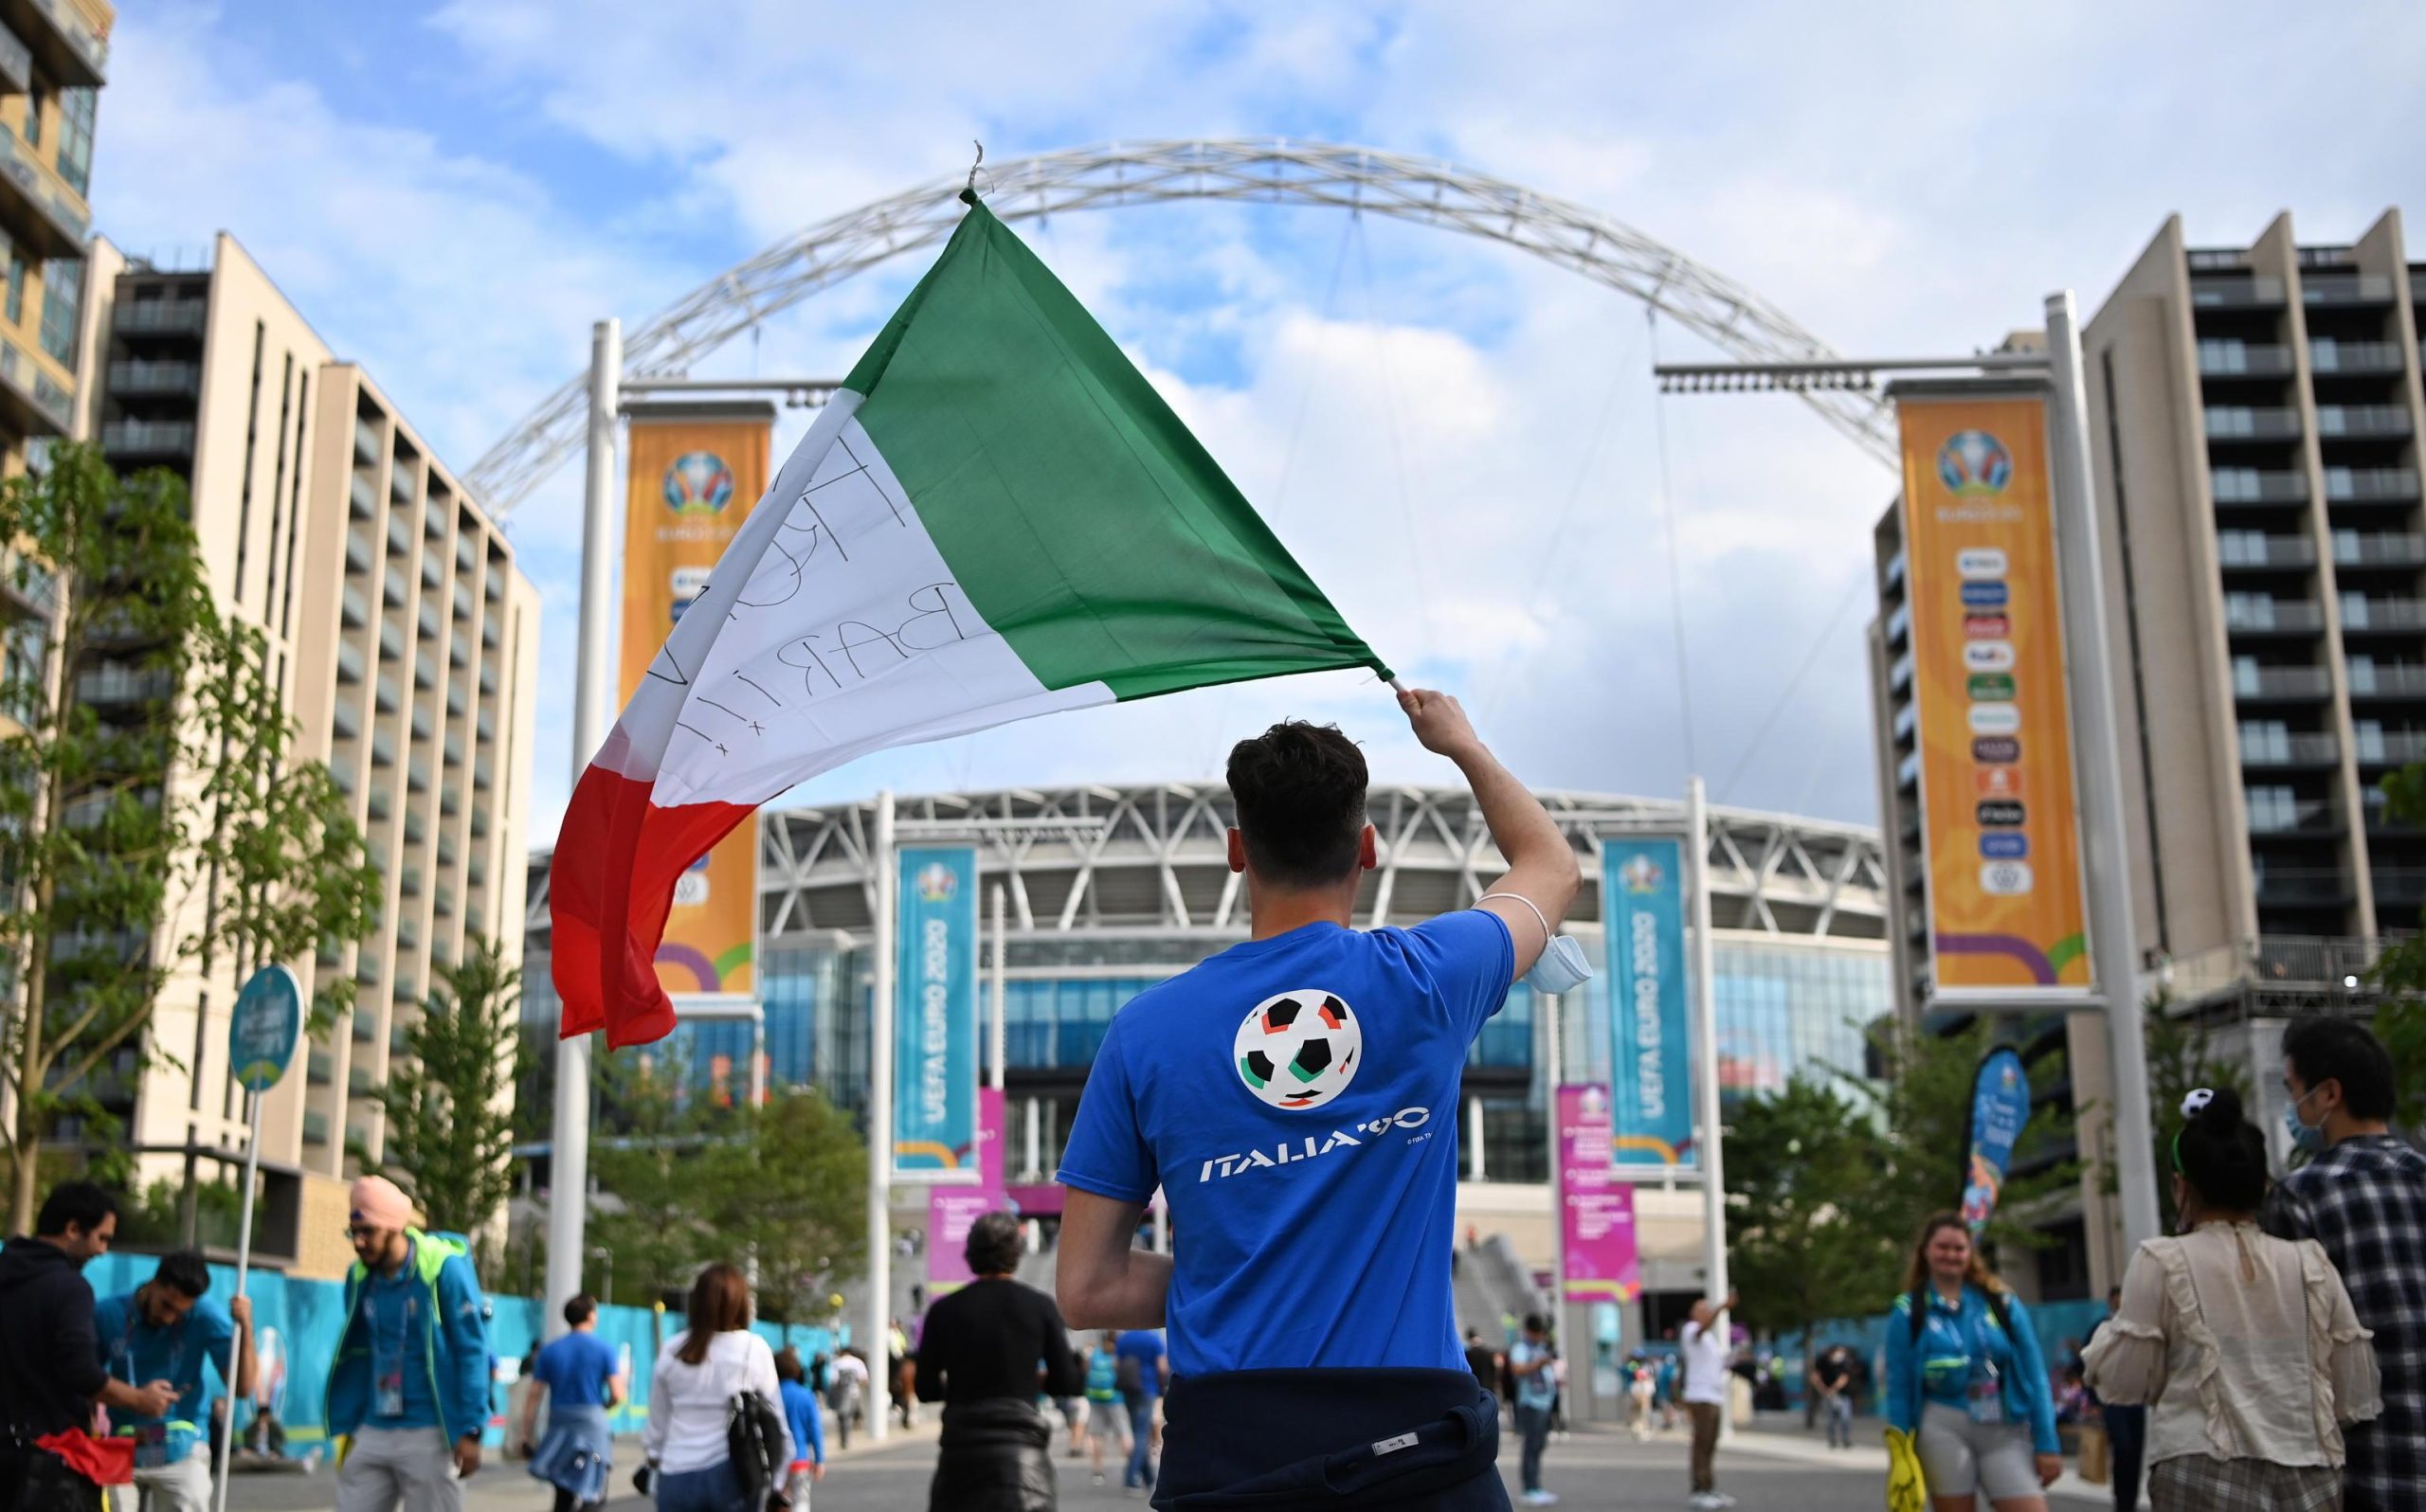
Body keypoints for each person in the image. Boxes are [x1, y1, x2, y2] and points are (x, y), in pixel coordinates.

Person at [1055, 695, 1581, 1510]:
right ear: (1366, 847)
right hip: (1418, 1452)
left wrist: (1251, 1266)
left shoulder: (1144, 1033)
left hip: (1230, 1456)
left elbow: (1087, 1289)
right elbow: (1550, 866)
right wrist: (1462, 745)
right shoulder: (1427, 977)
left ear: (1237, 851)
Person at [2083, 1087, 2381, 1509]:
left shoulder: (2162, 1259)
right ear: (2263, 1185)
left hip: (2200, 1464)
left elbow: (2125, 1381)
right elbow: (2351, 1392)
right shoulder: (2311, 1263)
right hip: (2309, 1467)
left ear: (2181, 1185)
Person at [2261, 1016, 2426, 1512]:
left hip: (2369, 1471)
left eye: (2294, 1091)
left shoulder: (2302, 1196)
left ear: (2328, 1094)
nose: (2294, 1107)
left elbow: (2289, 1355)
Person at [1, 1182, 178, 1512]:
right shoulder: (70, 1288)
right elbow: (81, 1372)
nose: (103, 1251)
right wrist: (140, 1399)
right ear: (72, 1229)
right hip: (48, 1464)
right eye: (102, 1238)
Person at [324, 1176, 492, 1512]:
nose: (358, 1242)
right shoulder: (358, 1277)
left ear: (394, 1227)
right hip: (373, 1427)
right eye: (353, 1232)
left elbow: (472, 1350)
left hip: (429, 1431)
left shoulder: (441, 1269)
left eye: (368, 1231)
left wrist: (471, 1430)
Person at [1884, 1215, 2060, 1512]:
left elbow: (2036, 1376)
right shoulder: (1907, 1311)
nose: (1951, 1255)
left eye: (1959, 1248)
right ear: (1925, 1251)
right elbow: (1898, 1386)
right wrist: (1900, 1453)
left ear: (1970, 1253)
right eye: (1942, 1247)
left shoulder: (2002, 1303)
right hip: (1940, 1424)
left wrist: (2047, 1443)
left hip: (2004, 1425)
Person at [914, 1211, 1084, 1510]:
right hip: (1022, 1460)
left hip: (960, 1460)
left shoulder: (944, 1311)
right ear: (1016, 1254)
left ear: (970, 1254)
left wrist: (960, 1383)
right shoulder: (1039, 1307)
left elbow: (925, 1389)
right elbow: (1067, 1382)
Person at [92, 1249, 256, 1512]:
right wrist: (134, 1400)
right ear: (154, 1283)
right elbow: (84, 1380)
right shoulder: (108, 1313)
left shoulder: (205, 1315)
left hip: (183, 1449)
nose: (169, 1317)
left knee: (192, 1494)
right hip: (122, 1448)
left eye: (180, 1313)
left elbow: (243, 1387)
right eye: (166, 1305)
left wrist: (246, 1327)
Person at [641, 1264, 791, 1512]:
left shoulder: (673, 1349)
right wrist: (779, 1483)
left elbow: (657, 1423)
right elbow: (776, 1422)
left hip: (676, 1474)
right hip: (732, 1475)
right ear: (740, 1303)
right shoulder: (753, 1349)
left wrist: (654, 1457)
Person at [522, 1294, 624, 1512]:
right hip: (592, 1428)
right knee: (594, 1493)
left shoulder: (549, 1351)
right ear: (590, 1315)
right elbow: (617, 1393)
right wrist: (602, 1408)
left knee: (563, 1492)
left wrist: (526, 1434)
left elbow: (534, 1396)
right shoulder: (604, 1349)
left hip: (561, 1426)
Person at [2081, 1287, 2145, 1512]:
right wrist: (2094, 1402)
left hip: (2136, 1400)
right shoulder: (2101, 1330)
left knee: (2136, 1450)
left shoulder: (2137, 1330)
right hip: (2112, 1400)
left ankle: (2131, 1499)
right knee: (2123, 1447)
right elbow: (2086, 1366)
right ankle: (2121, 1499)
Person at [1679, 1293, 1739, 1511]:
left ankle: (1709, 1486)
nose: (1707, 1312)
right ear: (1694, 1313)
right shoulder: (1691, 1330)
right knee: (1701, 1443)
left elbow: (1718, 1364)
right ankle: (1698, 1489)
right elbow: (1702, 1328)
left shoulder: (1711, 1340)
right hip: (1700, 1396)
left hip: (1714, 1395)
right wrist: (1722, 1307)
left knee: (1710, 1444)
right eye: (1702, 1309)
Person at [1507, 1314, 1557, 1506]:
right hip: (1531, 1402)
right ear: (1528, 1331)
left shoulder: (1539, 1347)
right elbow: (1517, 1369)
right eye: (1537, 1333)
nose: (1539, 1337)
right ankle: (1529, 1488)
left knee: (1539, 1445)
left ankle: (1536, 1486)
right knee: (1531, 1446)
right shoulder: (1521, 1348)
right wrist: (1539, 1364)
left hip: (1544, 1401)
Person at [1111, 1327, 1167, 1495]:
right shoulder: (1153, 1339)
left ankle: (1149, 1478)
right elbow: (1162, 1366)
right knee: (1142, 1435)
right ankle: (1131, 1478)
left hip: (1129, 1389)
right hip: (1147, 1388)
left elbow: (1117, 1364)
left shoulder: (1124, 1339)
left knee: (1138, 1432)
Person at [771, 1349, 825, 1510]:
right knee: (801, 1501)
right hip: (800, 1458)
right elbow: (815, 1428)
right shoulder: (806, 1395)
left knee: (777, 1504)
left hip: (775, 1459)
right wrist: (819, 1459)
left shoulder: (770, 1395)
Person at [1081, 1332, 1129, 1488]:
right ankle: (1132, 1467)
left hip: (1095, 1398)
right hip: (1115, 1398)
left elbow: (1085, 1371)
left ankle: (1097, 1470)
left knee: (1097, 1436)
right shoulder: (1117, 1355)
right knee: (1123, 1434)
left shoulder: (1094, 1354)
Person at [1808, 1344, 1855, 1450]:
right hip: (1827, 1395)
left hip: (1843, 1394)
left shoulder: (1844, 1362)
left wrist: (1833, 1389)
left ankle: (1845, 1439)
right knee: (1830, 1419)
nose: (1840, 1355)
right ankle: (1832, 1439)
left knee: (1845, 1417)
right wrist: (1823, 1389)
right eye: (1838, 1352)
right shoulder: (1822, 1361)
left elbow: (1844, 1378)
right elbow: (1814, 1376)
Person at [824, 1351, 867, 1451]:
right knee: (850, 1416)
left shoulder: (837, 1363)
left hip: (841, 1393)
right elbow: (864, 1379)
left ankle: (844, 1440)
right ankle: (855, 1424)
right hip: (855, 1393)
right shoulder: (858, 1362)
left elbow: (833, 1380)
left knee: (843, 1417)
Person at [1462, 1329, 1501, 1400]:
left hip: (1474, 1388)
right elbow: (1496, 1367)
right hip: (1489, 1388)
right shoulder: (1489, 1352)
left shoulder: (1467, 1353)